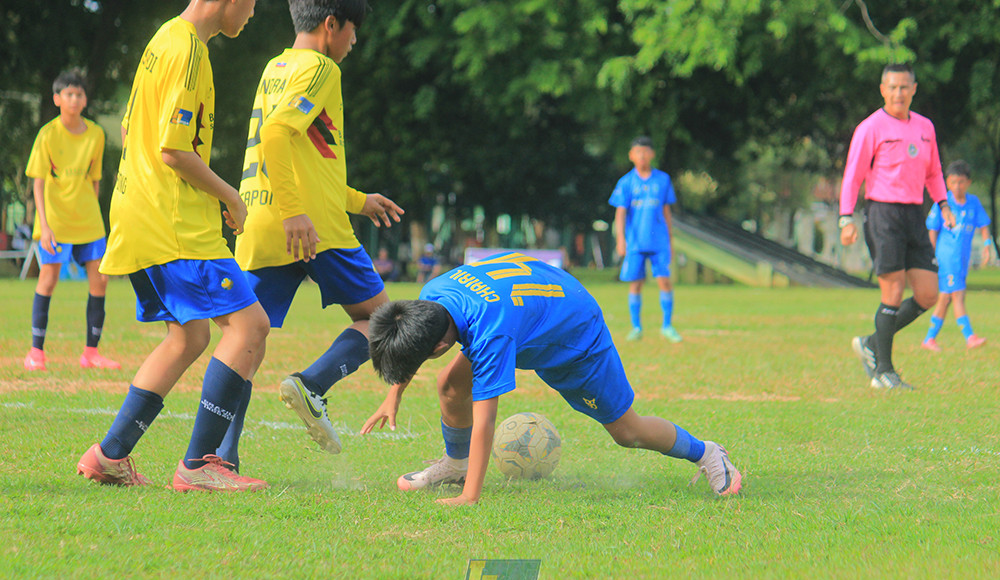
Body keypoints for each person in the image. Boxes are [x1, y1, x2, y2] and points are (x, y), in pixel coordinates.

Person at [361, 252, 741, 506]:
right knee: (450, 386)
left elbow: (486, 420)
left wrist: (471, 499)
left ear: (442, 342)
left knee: (628, 432)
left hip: (574, 337)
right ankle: (456, 466)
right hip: (537, 307)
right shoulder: (433, 296)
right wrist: (394, 394)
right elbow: (412, 342)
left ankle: (707, 452)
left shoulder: (491, 332)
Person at [75, 0, 271, 492]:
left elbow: (129, 127)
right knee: (250, 326)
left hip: (137, 216)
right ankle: (199, 465)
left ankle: (109, 455)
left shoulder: (162, 40)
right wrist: (231, 196)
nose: (252, 13)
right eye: (252, 2)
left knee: (189, 337)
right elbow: (174, 150)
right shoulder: (188, 51)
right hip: (173, 224)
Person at [235, 0, 403, 455]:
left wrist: (358, 200)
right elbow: (275, 135)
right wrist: (295, 212)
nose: (354, 40)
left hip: (261, 221)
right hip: (311, 228)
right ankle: (312, 384)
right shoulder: (322, 68)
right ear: (331, 25)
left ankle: (219, 457)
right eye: (353, 30)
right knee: (383, 322)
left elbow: (308, 161)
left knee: (245, 340)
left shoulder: (275, 68)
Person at [840, 63, 954, 390]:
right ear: (882, 89)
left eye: (904, 87)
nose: (898, 93)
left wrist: (943, 204)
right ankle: (884, 373)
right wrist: (846, 217)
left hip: (915, 214)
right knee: (892, 291)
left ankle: (871, 343)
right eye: (892, 87)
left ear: (914, 89)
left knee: (928, 293)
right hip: (883, 213)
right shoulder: (870, 127)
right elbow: (853, 174)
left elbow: (933, 172)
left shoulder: (924, 127)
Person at [23, 69, 120, 372]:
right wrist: (45, 225)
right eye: (69, 94)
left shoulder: (96, 134)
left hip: (88, 222)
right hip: (56, 222)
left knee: (100, 280)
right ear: (57, 99)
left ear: (85, 99)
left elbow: (95, 180)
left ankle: (91, 352)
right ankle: (36, 352)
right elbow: (37, 183)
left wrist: (93, 211)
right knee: (48, 279)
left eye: (79, 94)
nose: (74, 98)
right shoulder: (47, 135)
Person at [609, 136, 681, 343]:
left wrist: (670, 240)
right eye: (637, 152)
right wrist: (620, 239)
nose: (642, 156)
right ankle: (636, 327)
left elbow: (666, 212)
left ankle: (667, 326)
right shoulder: (626, 183)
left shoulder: (663, 180)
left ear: (652, 154)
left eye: (645, 151)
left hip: (658, 242)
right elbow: (620, 214)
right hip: (636, 242)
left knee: (665, 281)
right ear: (631, 156)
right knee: (635, 284)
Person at [921, 160, 991, 351]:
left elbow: (984, 225)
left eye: (961, 182)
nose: (957, 186)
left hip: (962, 259)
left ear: (968, 182)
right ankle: (970, 337)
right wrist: (933, 254)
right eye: (953, 182)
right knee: (958, 296)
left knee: (945, 298)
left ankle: (929, 339)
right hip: (947, 257)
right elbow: (932, 229)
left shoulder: (973, 203)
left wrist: (987, 245)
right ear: (947, 183)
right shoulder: (944, 204)